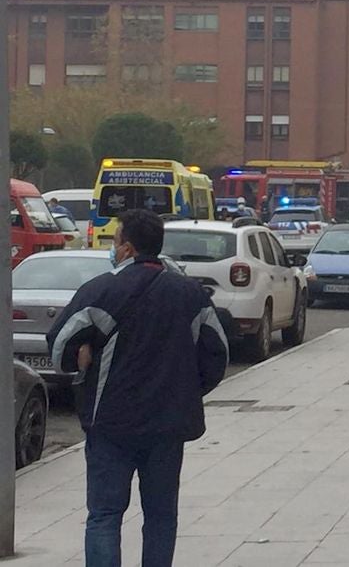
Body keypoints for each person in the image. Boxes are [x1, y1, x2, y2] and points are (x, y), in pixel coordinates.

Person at [47, 209, 229, 567]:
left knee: (104, 515)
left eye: (115, 241)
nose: (113, 249)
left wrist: (79, 364)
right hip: (168, 425)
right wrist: (186, 390)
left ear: (127, 249)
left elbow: (59, 347)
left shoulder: (101, 290)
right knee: (161, 515)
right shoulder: (190, 295)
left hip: (110, 425)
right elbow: (217, 355)